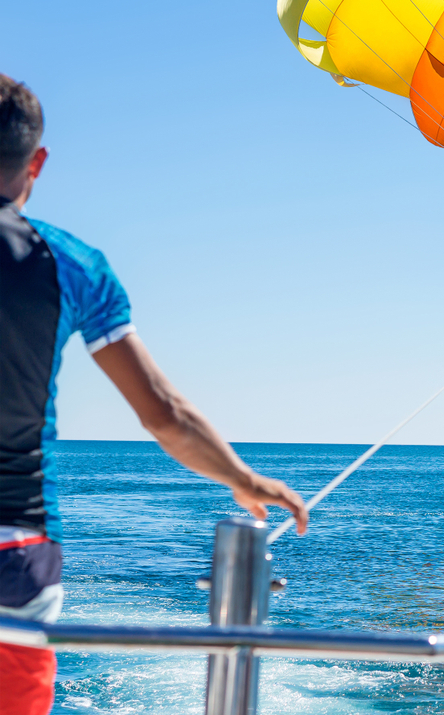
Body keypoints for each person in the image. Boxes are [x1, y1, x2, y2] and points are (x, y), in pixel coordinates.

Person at [0, 75, 309, 715]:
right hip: (18, 556)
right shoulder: (74, 265)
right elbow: (164, 414)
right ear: (37, 162)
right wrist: (243, 478)